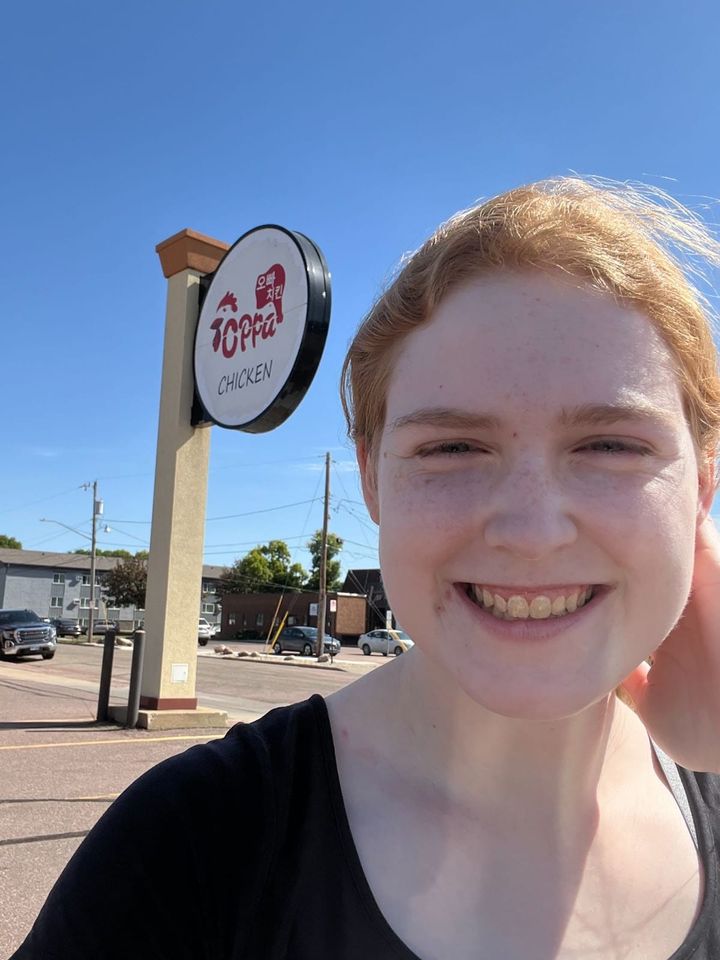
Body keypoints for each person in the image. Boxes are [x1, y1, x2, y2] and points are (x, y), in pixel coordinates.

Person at [12, 178, 720, 959]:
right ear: (373, 479)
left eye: (611, 445)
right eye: (453, 448)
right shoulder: (195, 843)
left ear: (703, 486)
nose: (531, 530)